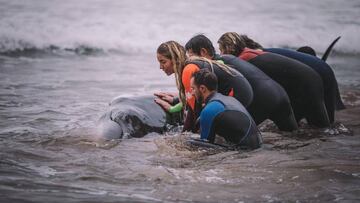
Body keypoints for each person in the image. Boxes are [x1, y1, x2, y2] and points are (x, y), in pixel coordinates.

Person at [185, 34, 298, 131]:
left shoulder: (213, 67)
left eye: (191, 55)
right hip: (280, 93)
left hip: (264, 100)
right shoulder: (228, 59)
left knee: (241, 136)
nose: (190, 60)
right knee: (295, 136)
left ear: (203, 52)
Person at [218, 32, 331, 128]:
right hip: (311, 80)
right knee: (317, 128)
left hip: (307, 85)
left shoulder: (244, 58)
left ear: (228, 48)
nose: (221, 54)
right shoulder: (251, 52)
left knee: (320, 129)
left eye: (221, 50)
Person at [156, 41, 253, 132]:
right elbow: (192, 104)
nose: (160, 67)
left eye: (163, 62)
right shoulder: (189, 64)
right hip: (244, 89)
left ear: (175, 59)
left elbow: (195, 110)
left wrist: (187, 133)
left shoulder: (188, 70)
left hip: (238, 93)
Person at [190, 69, 262, 149]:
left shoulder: (208, 110)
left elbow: (204, 146)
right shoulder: (228, 99)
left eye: (193, 88)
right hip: (258, 144)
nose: (192, 93)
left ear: (202, 88)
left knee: (190, 143)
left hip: (245, 151)